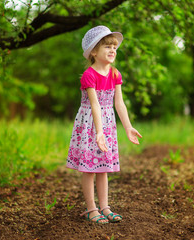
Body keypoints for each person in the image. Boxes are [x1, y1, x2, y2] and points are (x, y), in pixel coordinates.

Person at [66, 25, 142, 224]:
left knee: (103, 168)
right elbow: (95, 104)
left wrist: (128, 127)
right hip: (91, 123)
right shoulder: (89, 75)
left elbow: (119, 102)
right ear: (93, 51)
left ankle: (105, 207)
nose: (112, 50)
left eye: (114, 47)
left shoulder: (115, 74)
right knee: (90, 168)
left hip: (107, 126)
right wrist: (98, 132)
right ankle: (92, 209)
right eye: (107, 46)